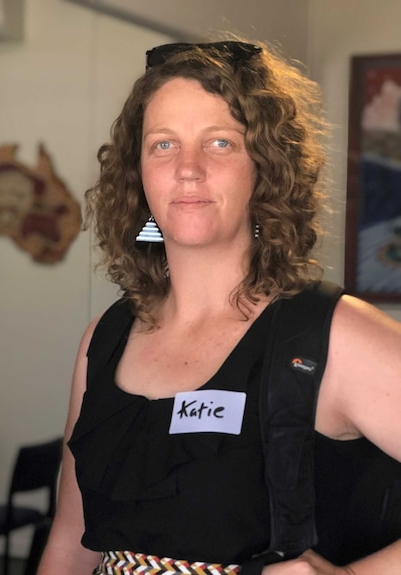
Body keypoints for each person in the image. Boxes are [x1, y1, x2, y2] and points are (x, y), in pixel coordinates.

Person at [37, 40, 401, 575]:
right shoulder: (105, 337)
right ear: (137, 172)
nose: (188, 168)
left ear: (266, 168)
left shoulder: (330, 336)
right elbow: (71, 542)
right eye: (163, 145)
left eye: (221, 143)